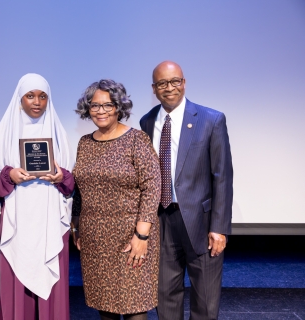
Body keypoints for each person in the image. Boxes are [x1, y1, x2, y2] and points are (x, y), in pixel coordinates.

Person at [139, 61, 233, 320]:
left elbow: (222, 177)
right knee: (165, 294)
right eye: (162, 83)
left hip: (202, 224)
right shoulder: (147, 121)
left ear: (184, 82)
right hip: (161, 220)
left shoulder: (211, 119)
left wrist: (219, 227)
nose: (169, 88)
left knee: (205, 299)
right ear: (154, 88)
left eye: (175, 81)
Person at [72, 79, 161, 320]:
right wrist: (77, 226)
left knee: (134, 307)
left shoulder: (137, 140)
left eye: (107, 105)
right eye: (95, 105)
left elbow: (153, 187)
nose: (100, 111)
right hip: (95, 240)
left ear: (119, 107)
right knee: (106, 306)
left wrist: (142, 236)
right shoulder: (85, 143)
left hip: (131, 236)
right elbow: (80, 188)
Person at [0, 73, 75, 320]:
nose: (36, 102)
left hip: (50, 219)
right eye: (30, 96)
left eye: (42, 96)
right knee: (16, 290)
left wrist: (61, 178)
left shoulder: (59, 135)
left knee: (52, 293)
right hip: (16, 222)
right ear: (20, 99)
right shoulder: (3, 135)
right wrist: (9, 175)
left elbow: (70, 184)